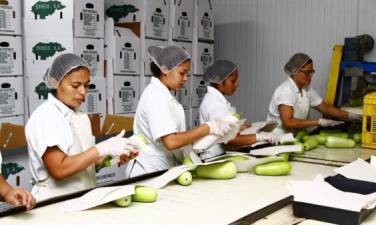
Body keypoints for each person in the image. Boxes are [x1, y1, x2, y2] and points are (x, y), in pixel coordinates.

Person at [25, 53, 139, 201]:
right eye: (75, 85)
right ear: (55, 83)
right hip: (55, 203)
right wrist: (101, 148)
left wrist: (112, 157)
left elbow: (85, 162)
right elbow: (59, 169)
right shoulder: (46, 116)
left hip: (83, 198)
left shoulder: (81, 116)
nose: (83, 92)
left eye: (86, 85)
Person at [126, 45, 237, 177]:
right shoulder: (156, 96)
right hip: (148, 170)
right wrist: (210, 127)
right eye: (182, 73)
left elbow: (175, 136)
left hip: (162, 168)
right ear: (164, 69)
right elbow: (171, 141)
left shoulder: (164, 95)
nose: (185, 78)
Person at [199, 60, 279, 160]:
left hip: (219, 155)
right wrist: (260, 136)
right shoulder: (215, 104)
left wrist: (237, 128)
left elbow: (220, 130)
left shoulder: (216, 100)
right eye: (233, 81)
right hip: (213, 158)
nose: (237, 84)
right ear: (219, 82)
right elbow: (230, 139)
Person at [267, 53, 362, 135]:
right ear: (295, 71)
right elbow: (288, 123)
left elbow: (326, 109)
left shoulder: (306, 89)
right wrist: (318, 121)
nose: (310, 76)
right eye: (307, 72)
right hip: (279, 137)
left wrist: (352, 116)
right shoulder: (286, 90)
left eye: (311, 72)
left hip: (296, 135)